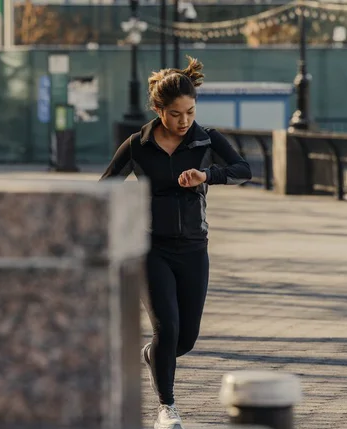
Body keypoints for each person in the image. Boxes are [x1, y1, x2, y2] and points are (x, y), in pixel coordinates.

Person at [100, 56, 252, 429]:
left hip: (193, 248)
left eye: (189, 112)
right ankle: (167, 407)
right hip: (149, 249)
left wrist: (206, 175)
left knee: (185, 340)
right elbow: (104, 191)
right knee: (166, 327)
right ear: (157, 109)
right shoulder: (138, 145)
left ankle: (153, 356)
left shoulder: (206, 138)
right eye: (175, 114)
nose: (184, 121)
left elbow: (244, 171)